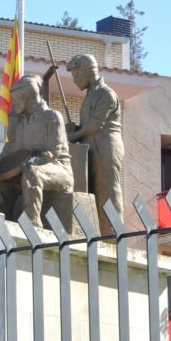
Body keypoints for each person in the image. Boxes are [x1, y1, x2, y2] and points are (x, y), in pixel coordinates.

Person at [0, 75, 73, 228]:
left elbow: (53, 152)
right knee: (2, 180)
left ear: (27, 97)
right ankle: (4, 223)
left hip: (58, 169)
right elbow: (10, 150)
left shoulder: (52, 117)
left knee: (32, 172)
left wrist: (29, 163)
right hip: (29, 167)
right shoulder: (20, 122)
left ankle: (33, 224)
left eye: (16, 99)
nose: (14, 103)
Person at [65, 53, 124, 234]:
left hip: (106, 147)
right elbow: (87, 127)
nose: (74, 81)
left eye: (76, 75)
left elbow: (95, 124)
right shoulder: (90, 95)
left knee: (107, 191)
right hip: (90, 148)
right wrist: (75, 129)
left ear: (87, 72)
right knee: (92, 193)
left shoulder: (106, 94)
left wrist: (73, 137)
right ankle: (96, 234)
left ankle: (113, 236)